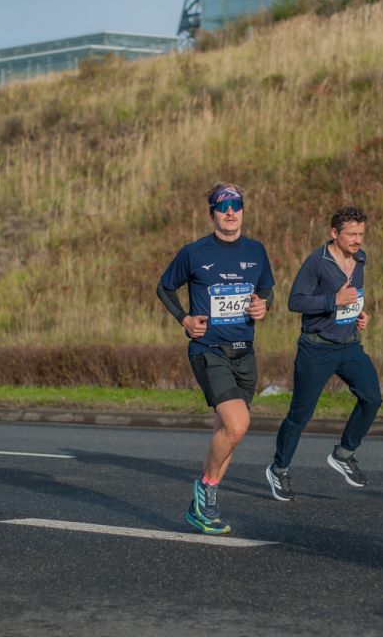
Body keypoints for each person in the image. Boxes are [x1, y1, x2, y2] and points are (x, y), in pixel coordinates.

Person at [157, 183, 275, 534]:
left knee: (228, 432)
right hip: (208, 350)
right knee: (238, 425)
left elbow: (266, 287)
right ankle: (205, 488)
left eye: (236, 205)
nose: (230, 212)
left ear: (243, 211)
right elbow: (165, 287)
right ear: (211, 213)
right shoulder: (194, 252)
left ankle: (202, 509)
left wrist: (262, 304)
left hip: (245, 353)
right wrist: (185, 319)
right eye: (222, 206)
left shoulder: (256, 250)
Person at [265, 206, 382, 501]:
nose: (358, 240)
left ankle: (344, 453)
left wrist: (359, 314)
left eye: (361, 234)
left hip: (349, 345)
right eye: (352, 234)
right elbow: (296, 302)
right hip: (316, 349)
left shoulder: (360, 258)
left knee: (372, 398)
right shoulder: (317, 262)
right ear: (334, 233)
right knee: (300, 415)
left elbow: (351, 297)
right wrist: (333, 300)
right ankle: (278, 469)